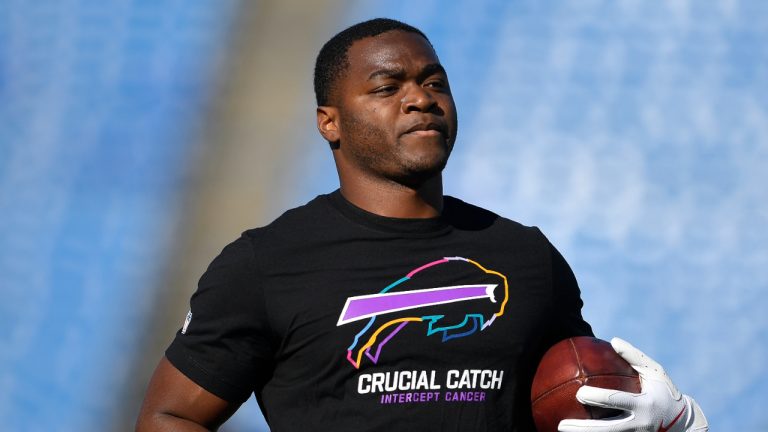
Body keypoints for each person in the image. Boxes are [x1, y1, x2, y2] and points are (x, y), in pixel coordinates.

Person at [135, 18, 708, 432]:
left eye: (434, 83)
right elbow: (170, 415)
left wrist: (674, 422)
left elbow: (572, 403)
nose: (420, 100)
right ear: (329, 122)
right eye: (388, 87)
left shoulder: (525, 256)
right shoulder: (266, 263)